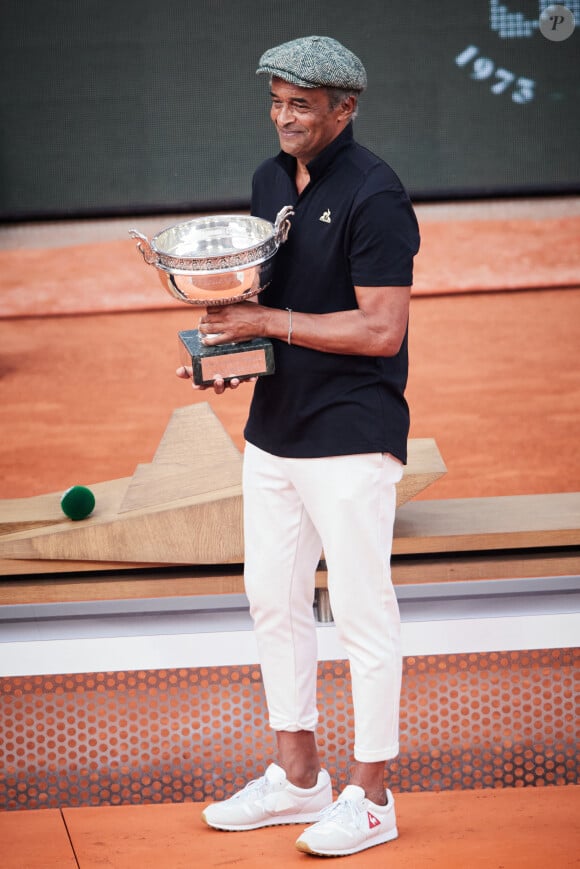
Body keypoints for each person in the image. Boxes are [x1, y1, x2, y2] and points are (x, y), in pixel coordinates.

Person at [177, 34, 420, 858]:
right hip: (275, 433)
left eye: (303, 104)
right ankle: (298, 779)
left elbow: (382, 330)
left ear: (343, 109)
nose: (285, 117)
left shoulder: (376, 195)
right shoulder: (269, 181)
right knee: (274, 603)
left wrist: (265, 321)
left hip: (352, 436)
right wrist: (231, 357)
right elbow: (272, 308)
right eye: (277, 101)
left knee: (360, 613)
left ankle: (374, 797)